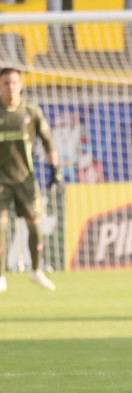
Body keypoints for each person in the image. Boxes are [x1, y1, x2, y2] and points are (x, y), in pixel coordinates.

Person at [0, 67, 62, 292]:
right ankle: (1, 277)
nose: (11, 87)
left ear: (21, 84)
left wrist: (55, 171)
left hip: (25, 179)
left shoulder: (31, 112)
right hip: (0, 182)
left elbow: (47, 141)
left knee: (35, 224)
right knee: (1, 227)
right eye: (6, 83)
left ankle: (36, 271)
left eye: (15, 82)